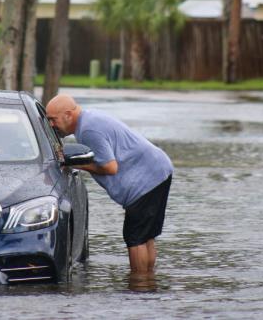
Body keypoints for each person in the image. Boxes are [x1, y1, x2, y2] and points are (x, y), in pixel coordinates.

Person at [46, 94, 173, 275]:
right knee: (146, 237)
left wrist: (74, 163)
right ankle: (148, 285)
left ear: (68, 114)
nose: (51, 124)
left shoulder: (88, 130)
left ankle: (139, 287)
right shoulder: (90, 119)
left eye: (53, 119)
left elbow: (110, 167)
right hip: (159, 170)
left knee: (135, 237)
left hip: (147, 178)